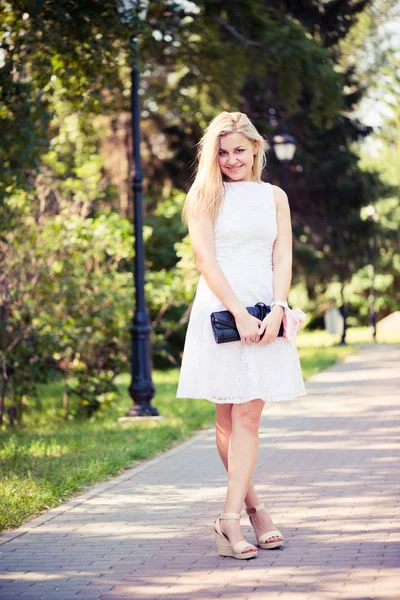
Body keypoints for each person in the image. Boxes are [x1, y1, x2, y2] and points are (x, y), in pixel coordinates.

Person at [176, 111, 306, 560]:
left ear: (255, 147)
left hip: (266, 309)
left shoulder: (275, 196)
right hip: (221, 308)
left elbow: (283, 257)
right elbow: (206, 262)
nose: (232, 159)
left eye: (239, 149)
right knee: (227, 417)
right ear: (214, 155)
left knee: (250, 416)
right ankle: (255, 511)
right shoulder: (203, 195)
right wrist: (239, 313)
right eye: (223, 151)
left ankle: (228, 518)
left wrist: (278, 308)